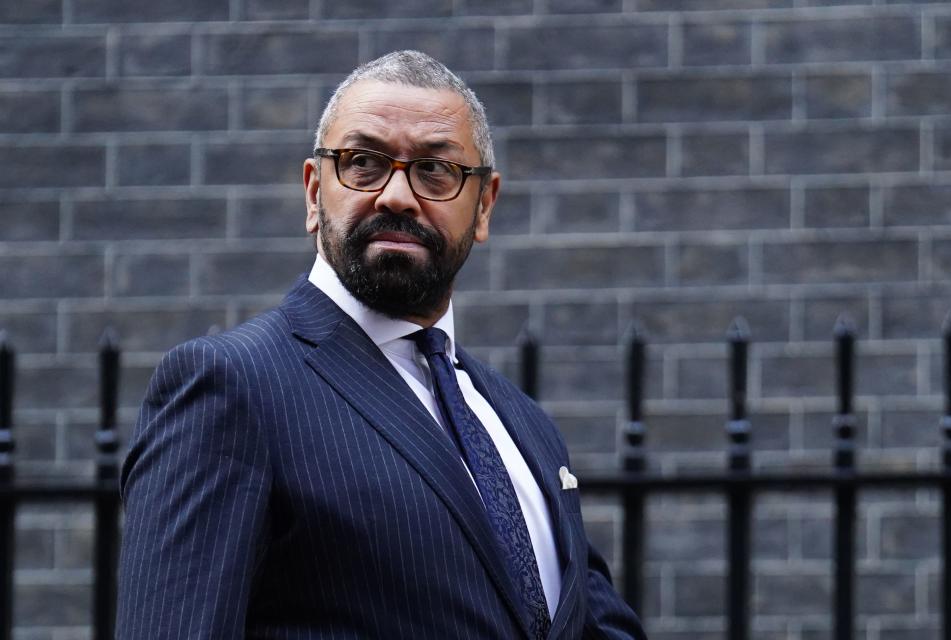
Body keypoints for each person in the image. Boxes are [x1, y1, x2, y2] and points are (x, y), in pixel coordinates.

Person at [117, 50, 646, 639]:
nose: (396, 195)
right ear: (314, 190)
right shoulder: (232, 386)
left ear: (484, 207)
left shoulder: (524, 425)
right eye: (363, 162)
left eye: (435, 170)